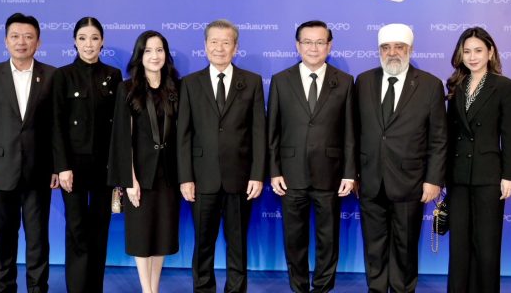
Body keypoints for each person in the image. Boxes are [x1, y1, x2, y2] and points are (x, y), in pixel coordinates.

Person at [355, 23, 448, 293]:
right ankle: (376, 289)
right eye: (385, 47)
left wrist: (433, 180)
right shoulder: (363, 81)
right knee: (373, 244)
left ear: (410, 49)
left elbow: (439, 138)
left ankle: (403, 289)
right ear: (379, 51)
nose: (392, 52)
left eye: (399, 47)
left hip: (411, 181)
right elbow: (354, 132)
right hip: (370, 179)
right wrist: (354, 173)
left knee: (405, 245)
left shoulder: (430, 85)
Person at [0, 12, 59, 293]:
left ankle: (37, 289)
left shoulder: (52, 76)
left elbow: (56, 127)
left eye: (28, 36)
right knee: (4, 240)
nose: (22, 42)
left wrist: (56, 166)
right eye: (15, 36)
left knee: (38, 241)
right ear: (6, 41)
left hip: (39, 171)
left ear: (38, 42)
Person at [177, 19, 266, 293]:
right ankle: (203, 289)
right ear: (205, 46)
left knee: (237, 244)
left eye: (226, 42)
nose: (219, 48)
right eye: (214, 42)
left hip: (240, 179)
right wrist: (185, 178)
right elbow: (183, 134)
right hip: (202, 178)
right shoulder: (189, 83)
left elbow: (258, 132)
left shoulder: (251, 82)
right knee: (203, 243)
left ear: (235, 47)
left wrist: (257, 175)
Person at [267, 20, 356, 293]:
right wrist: (274, 170)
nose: (313, 48)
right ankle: (299, 287)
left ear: (329, 46)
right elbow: (272, 130)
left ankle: (322, 287)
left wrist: (349, 173)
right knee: (294, 237)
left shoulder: (345, 81)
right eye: (307, 42)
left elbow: (350, 132)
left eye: (319, 42)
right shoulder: (281, 80)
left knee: (328, 238)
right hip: (290, 174)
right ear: (298, 45)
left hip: (331, 174)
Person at [107, 30, 181, 293]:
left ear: (166, 54)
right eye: (148, 51)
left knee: (162, 237)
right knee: (141, 237)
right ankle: (146, 289)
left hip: (168, 175)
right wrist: (130, 180)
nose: (154, 56)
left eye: (159, 50)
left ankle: (154, 289)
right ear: (139, 55)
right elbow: (122, 138)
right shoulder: (127, 88)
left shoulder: (176, 87)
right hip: (139, 175)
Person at [52, 17, 122, 293]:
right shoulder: (63, 75)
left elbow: (118, 126)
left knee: (100, 229)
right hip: (74, 167)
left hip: (104, 166)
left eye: (94, 38)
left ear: (102, 41)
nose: (88, 44)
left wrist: (118, 168)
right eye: (82, 38)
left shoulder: (113, 75)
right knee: (77, 229)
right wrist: (62, 166)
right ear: (74, 41)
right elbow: (57, 124)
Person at [445, 27, 511, 293]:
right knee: (459, 246)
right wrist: (441, 176)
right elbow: (449, 134)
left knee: (487, 246)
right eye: (467, 51)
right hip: (458, 176)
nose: (472, 57)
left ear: (490, 52)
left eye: (478, 50)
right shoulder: (455, 85)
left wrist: (508, 175)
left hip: (489, 176)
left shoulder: (505, 86)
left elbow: (508, 135)